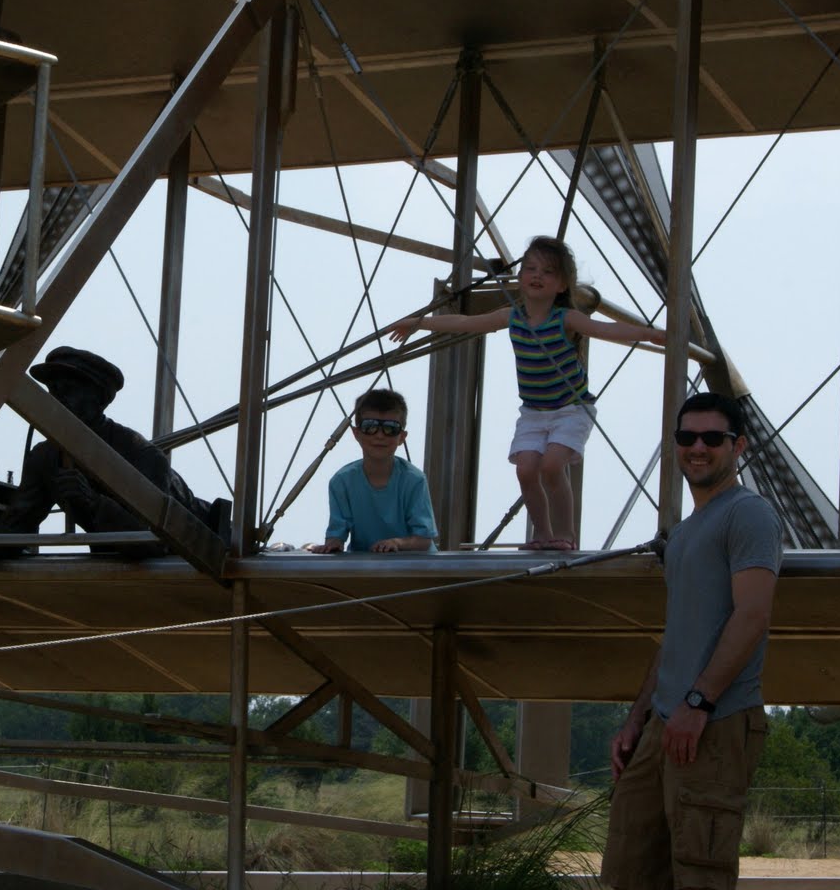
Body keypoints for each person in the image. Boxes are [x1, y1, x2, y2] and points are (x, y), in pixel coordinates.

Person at [600, 391, 782, 889]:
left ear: (738, 446)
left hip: (715, 721)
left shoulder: (749, 515)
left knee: (701, 873)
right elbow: (676, 634)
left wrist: (699, 703)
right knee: (629, 870)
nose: (698, 447)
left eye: (712, 438)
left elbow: (752, 615)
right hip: (664, 723)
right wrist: (636, 720)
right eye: (687, 437)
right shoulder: (682, 534)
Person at [387, 236, 667, 550]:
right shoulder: (512, 316)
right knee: (526, 470)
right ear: (520, 278)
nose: (537, 276)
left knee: (552, 466)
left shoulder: (566, 319)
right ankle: (542, 534)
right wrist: (419, 323)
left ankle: (566, 534)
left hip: (571, 408)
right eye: (531, 269)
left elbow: (606, 329)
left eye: (548, 272)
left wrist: (649, 334)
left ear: (562, 285)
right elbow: (466, 322)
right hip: (534, 411)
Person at [0, 346, 224, 558]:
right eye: (53, 391)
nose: (56, 399)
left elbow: (152, 542)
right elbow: (17, 529)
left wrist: (94, 502)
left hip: (203, 550)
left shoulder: (141, 454)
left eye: (68, 390)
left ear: (98, 400)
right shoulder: (45, 457)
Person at [309, 388, 436, 553]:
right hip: (364, 565)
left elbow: (423, 540)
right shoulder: (342, 481)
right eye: (370, 427)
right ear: (356, 433)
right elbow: (336, 536)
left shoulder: (414, 480)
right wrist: (332, 545)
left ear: (402, 437)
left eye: (390, 428)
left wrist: (396, 543)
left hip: (413, 565)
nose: (380, 436)